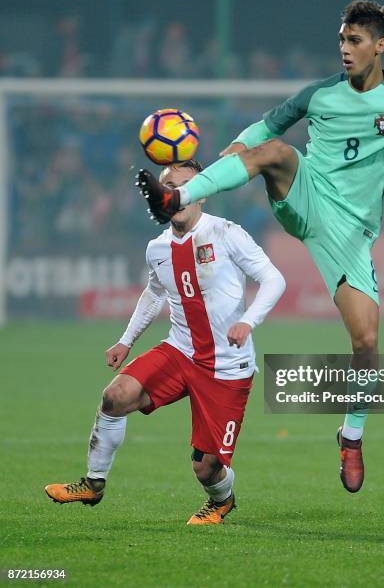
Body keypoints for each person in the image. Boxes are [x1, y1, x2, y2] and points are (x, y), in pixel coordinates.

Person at [136, 0, 384, 494]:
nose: (345, 51)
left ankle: (351, 436)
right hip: (307, 195)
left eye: (354, 42)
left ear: (380, 45)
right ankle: (177, 196)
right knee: (279, 152)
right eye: (341, 41)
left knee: (367, 343)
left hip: (351, 234)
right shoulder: (319, 95)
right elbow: (267, 128)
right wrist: (239, 145)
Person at [45, 160, 286, 525]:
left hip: (226, 366)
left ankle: (222, 501)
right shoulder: (157, 248)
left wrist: (248, 321)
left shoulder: (227, 233)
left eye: (186, 186)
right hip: (179, 351)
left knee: (205, 469)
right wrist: (126, 340)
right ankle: (93, 483)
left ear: (201, 194)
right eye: (169, 187)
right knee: (115, 396)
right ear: (161, 200)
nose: (177, 194)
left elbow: (274, 279)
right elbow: (153, 293)